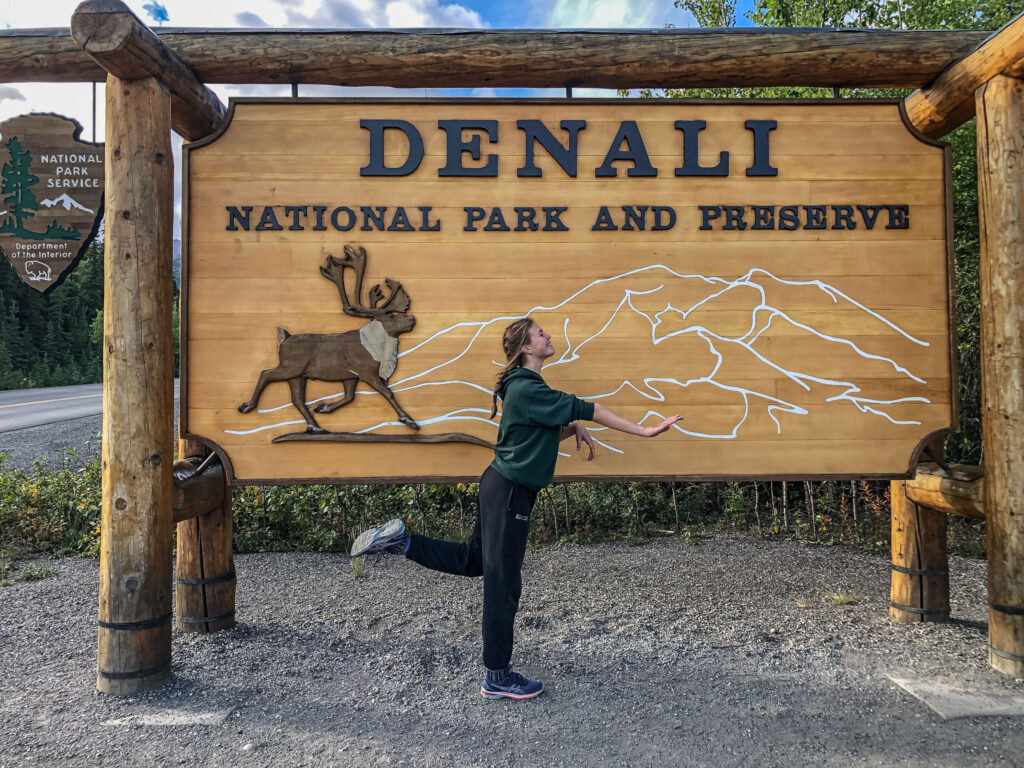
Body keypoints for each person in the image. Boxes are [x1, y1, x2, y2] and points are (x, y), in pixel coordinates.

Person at [350, 317, 682, 700]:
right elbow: (589, 407)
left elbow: (541, 430)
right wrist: (643, 430)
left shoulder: (526, 390)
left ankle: (402, 542)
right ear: (526, 347)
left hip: (501, 487)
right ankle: (497, 676)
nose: (549, 336)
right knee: (502, 583)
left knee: (475, 561)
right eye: (541, 333)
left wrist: (571, 428)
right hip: (509, 493)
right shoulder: (526, 387)